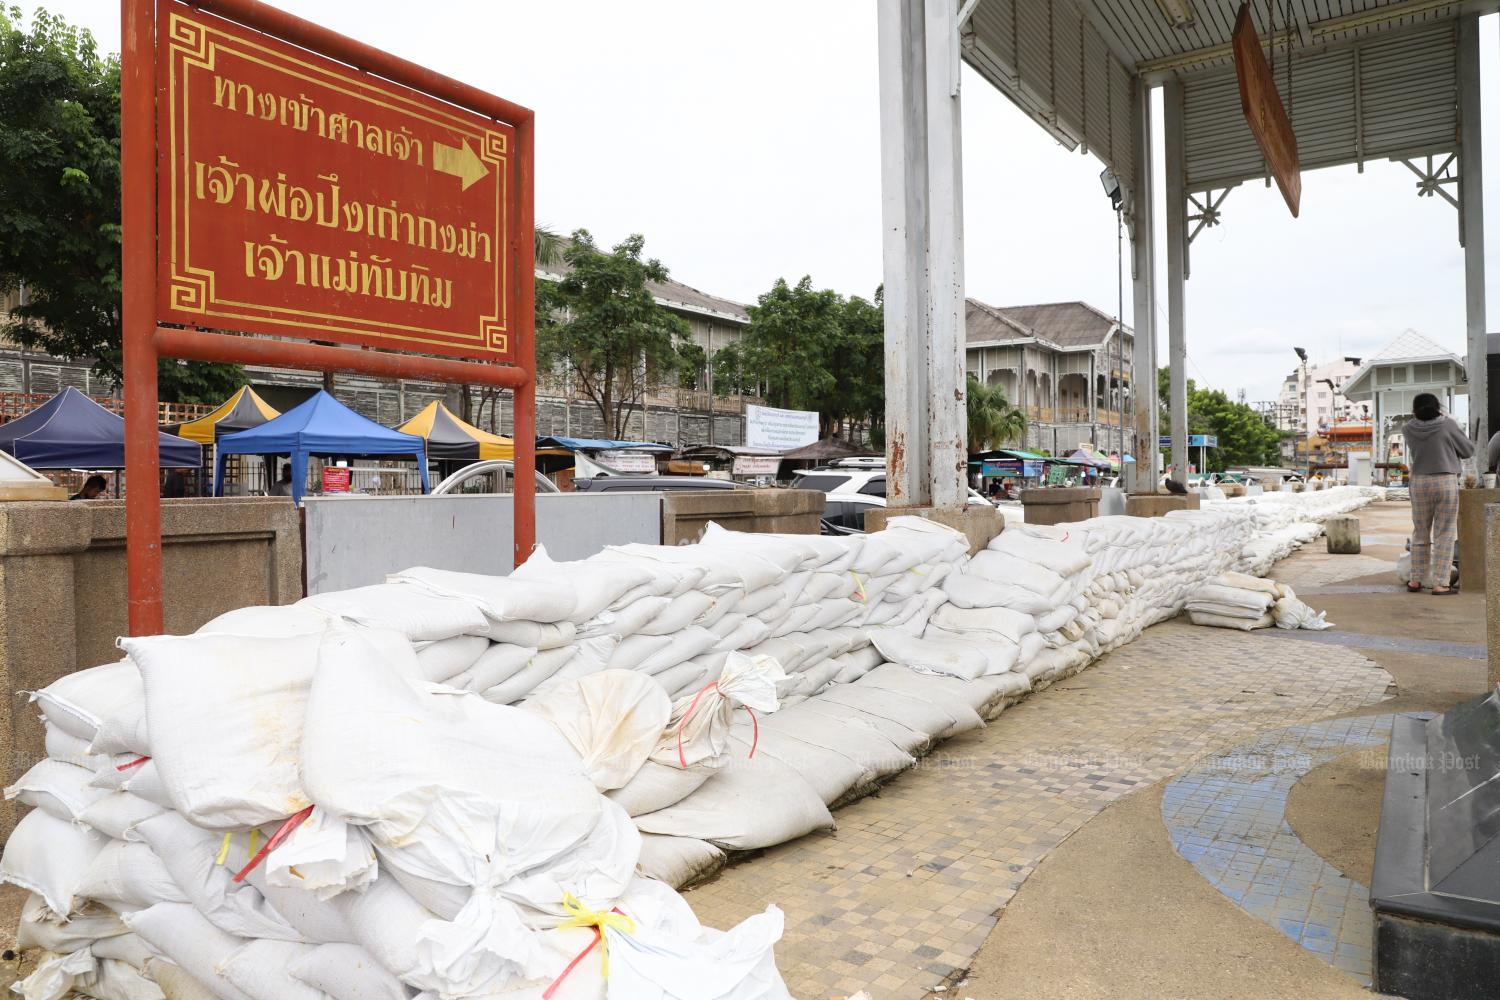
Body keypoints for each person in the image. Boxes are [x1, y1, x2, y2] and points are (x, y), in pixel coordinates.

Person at [1402, 392, 1473, 595]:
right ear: (1438, 407)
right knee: (1444, 532)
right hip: (1444, 480)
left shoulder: (1407, 429)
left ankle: (1415, 580)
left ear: (1414, 410)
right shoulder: (1447, 425)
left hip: (1419, 482)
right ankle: (1440, 583)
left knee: (1420, 530)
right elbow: (1468, 450)